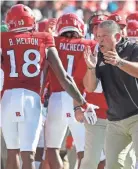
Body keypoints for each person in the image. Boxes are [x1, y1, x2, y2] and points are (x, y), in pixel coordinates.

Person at [1, 4, 95, 169]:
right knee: (28, 155)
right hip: (32, 98)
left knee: (12, 152)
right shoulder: (44, 37)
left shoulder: (3, 38)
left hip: (8, 97)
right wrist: (83, 102)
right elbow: (64, 76)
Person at [80, 20, 138, 169]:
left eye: (104, 36)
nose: (99, 40)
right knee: (113, 165)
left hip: (136, 116)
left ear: (117, 36)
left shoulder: (133, 48)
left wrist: (119, 62)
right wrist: (90, 68)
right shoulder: (98, 54)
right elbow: (90, 87)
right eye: (98, 36)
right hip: (115, 119)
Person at [43, 13, 97, 169]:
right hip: (79, 98)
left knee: (52, 148)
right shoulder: (90, 43)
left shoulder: (52, 41)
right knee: (83, 150)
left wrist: (48, 31)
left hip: (56, 98)